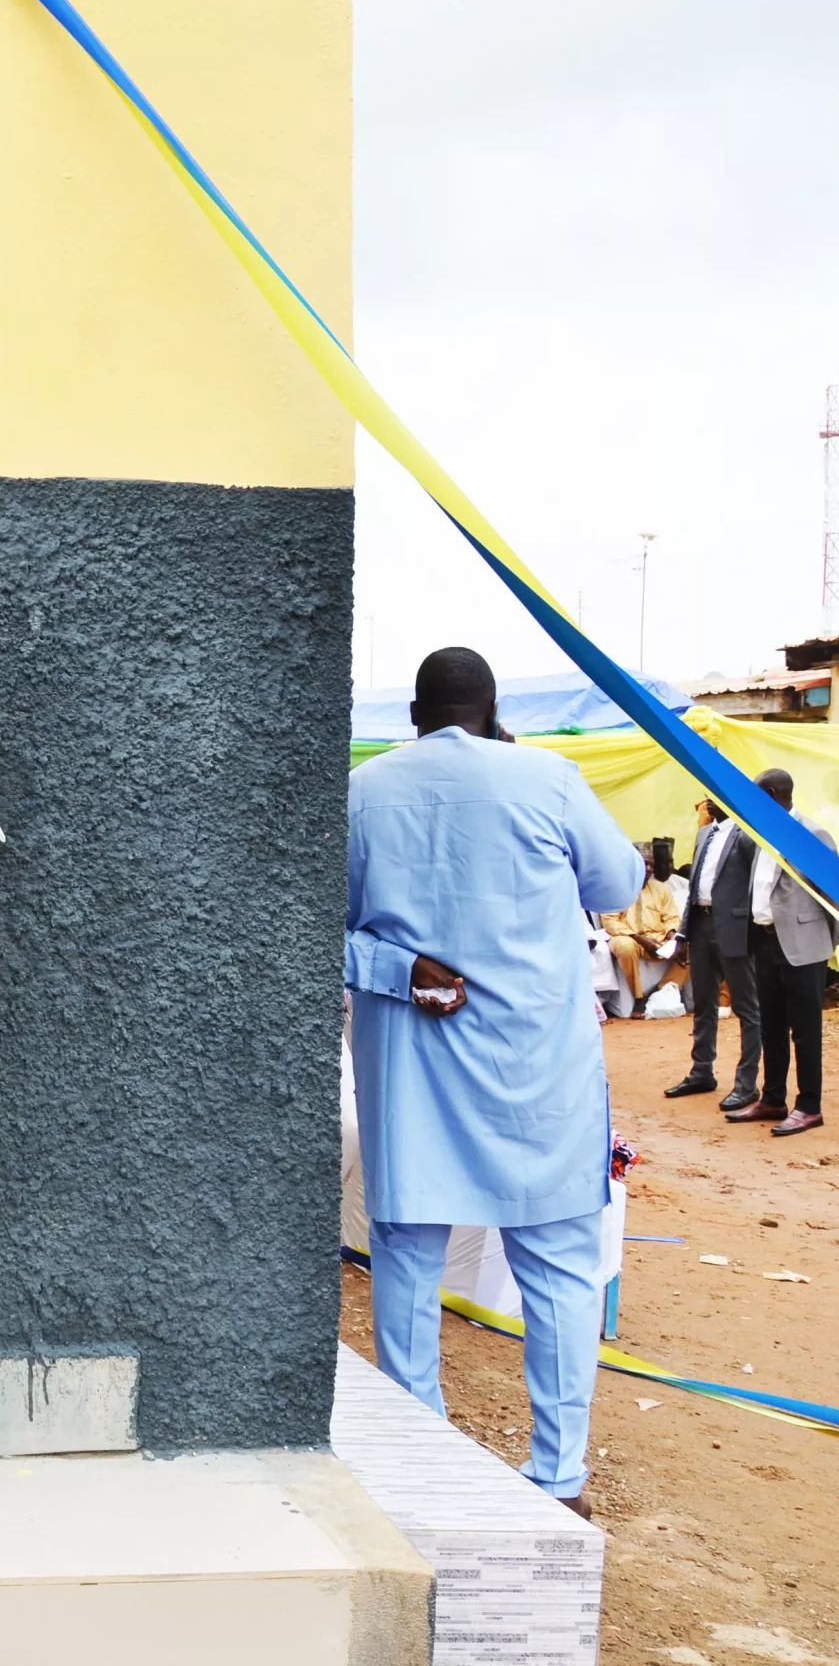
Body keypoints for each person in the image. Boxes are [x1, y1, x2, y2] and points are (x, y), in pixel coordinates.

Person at [346, 647, 643, 1519]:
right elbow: (618, 882)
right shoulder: (547, 778)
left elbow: (317, 924)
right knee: (557, 1270)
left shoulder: (365, 791)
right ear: (494, 708)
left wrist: (400, 969)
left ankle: (417, 1463)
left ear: (413, 715)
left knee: (407, 1256)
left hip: (416, 1066)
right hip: (534, 1068)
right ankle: (558, 1479)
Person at [736, 768, 839, 1136]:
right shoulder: (763, 834)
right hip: (766, 942)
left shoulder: (811, 834)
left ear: (772, 794)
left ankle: (809, 1107)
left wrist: (829, 943)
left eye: (757, 795)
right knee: (772, 1026)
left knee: (805, 1031)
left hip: (804, 948)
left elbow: (834, 892)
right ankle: (773, 1099)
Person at [665, 798, 765, 1107]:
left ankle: (746, 1084)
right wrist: (683, 933)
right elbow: (694, 889)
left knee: (747, 1008)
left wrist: (754, 930)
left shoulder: (748, 835)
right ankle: (702, 1072)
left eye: (716, 794)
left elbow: (757, 885)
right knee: (703, 1004)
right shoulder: (705, 834)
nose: (708, 800)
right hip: (701, 926)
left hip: (735, 929)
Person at [601, 844, 682, 1012]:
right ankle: (639, 997)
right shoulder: (615, 889)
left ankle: (660, 990)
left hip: (658, 938)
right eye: (644, 864)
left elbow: (672, 917)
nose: (649, 869)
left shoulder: (660, 888)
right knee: (624, 946)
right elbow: (610, 922)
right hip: (628, 937)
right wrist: (639, 938)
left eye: (652, 864)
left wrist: (671, 934)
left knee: (691, 946)